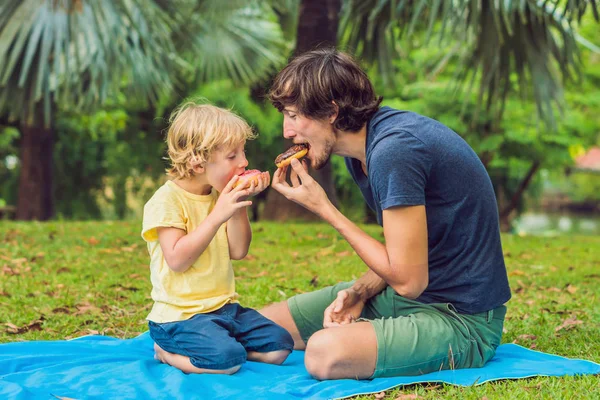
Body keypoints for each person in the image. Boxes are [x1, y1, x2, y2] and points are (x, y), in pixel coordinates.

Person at [260, 48, 511, 380]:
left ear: (331, 111)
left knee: (324, 353)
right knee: (255, 328)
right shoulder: (361, 152)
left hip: (460, 320)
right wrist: (359, 293)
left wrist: (325, 209)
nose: (286, 132)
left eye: (294, 115)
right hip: (404, 299)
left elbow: (409, 280)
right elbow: (403, 255)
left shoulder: (394, 151)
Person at [142, 101, 293, 375]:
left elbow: (238, 250)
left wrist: (237, 206)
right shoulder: (167, 200)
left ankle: (220, 346)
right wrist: (218, 215)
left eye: (243, 153)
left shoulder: (218, 196)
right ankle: (166, 352)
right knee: (228, 362)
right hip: (180, 318)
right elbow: (176, 259)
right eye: (232, 156)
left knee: (280, 347)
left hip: (224, 310)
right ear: (197, 162)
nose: (244, 162)